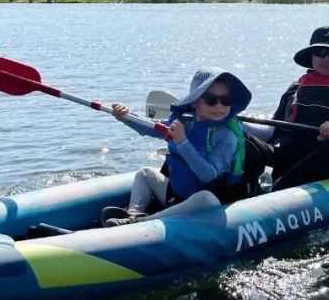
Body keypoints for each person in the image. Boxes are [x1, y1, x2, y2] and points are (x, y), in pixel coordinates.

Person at [100, 68, 252, 226]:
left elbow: (208, 174)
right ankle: (133, 213)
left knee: (205, 197)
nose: (219, 105)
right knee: (145, 174)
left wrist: (182, 142)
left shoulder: (227, 135)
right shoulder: (184, 122)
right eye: (211, 99)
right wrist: (125, 116)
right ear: (194, 102)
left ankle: (143, 221)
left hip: (209, 202)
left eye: (226, 100)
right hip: (179, 193)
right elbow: (150, 127)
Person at [247, 26, 329, 190]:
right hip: (288, 154)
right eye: (319, 52)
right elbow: (273, 130)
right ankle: (241, 192)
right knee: (243, 140)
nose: (326, 58)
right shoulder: (295, 88)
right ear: (311, 56)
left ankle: (274, 194)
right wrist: (235, 123)